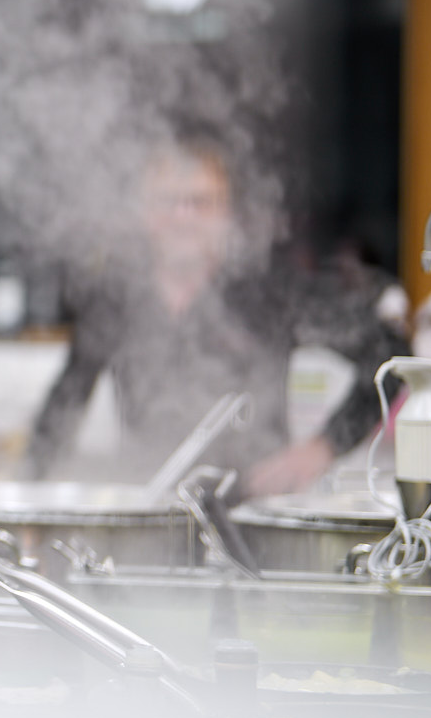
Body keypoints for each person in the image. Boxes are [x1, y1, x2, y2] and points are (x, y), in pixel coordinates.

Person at [28, 134, 401, 497]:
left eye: (201, 202)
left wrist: (322, 448)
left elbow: (391, 355)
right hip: (148, 503)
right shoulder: (116, 299)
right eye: (168, 201)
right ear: (144, 212)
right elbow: (64, 406)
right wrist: (31, 491)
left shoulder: (268, 291)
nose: (183, 217)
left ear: (227, 213)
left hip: (250, 511)